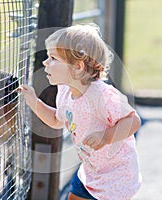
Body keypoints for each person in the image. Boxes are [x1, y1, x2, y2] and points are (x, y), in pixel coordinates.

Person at [19, 24, 142, 200]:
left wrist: (106, 136)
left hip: (116, 174)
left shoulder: (102, 95)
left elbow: (132, 120)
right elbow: (56, 119)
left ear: (77, 67)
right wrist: (33, 102)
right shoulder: (65, 92)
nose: (45, 63)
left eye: (53, 58)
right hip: (90, 170)